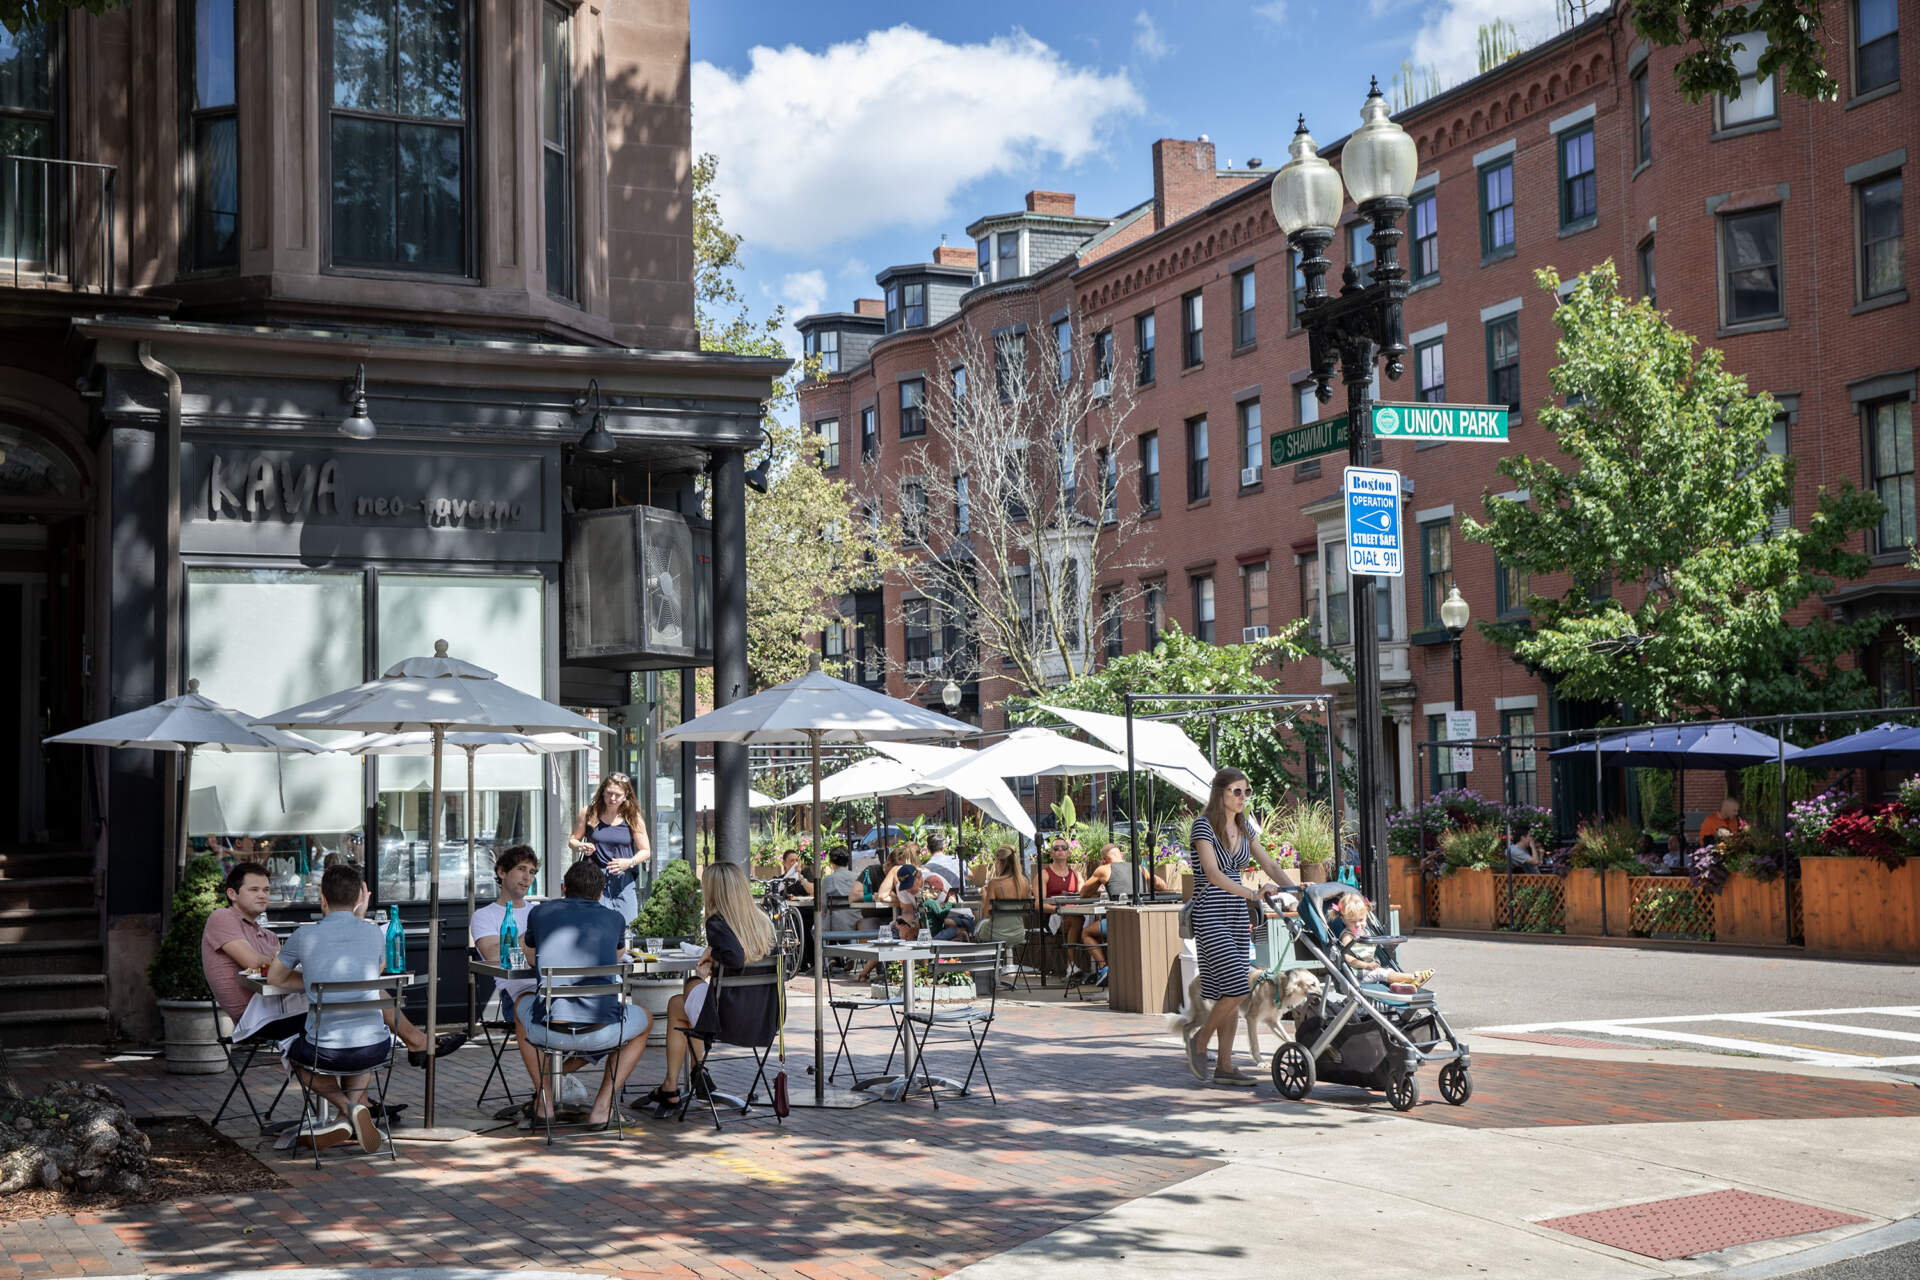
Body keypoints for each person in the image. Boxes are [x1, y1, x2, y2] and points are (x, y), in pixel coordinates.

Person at [266, 864, 463, 1153]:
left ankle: (346, 1109)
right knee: (363, 1046)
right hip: (375, 1048)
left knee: (292, 1053)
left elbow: (275, 978)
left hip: (324, 1050)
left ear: (322, 899)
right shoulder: (374, 935)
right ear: (359, 898)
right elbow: (376, 969)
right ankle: (352, 1113)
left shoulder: (303, 935)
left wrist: (312, 979)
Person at [1182, 767, 1298, 1088]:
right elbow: (1214, 873)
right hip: (1210, 911)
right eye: (1236, 791)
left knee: (1227, 992)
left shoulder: (1244, 827)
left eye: (1246, 792)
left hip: (1235, 913)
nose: (1242, 797)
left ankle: (1225, 1065)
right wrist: (1251, 893)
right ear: (1220, 792)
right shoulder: (1204, 826)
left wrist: (1298, 891)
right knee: (1237, 986)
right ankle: (1200, 1042)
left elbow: (1270, 865)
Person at [514, 859, 652, 1126]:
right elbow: (617, 955)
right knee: (645, 1019)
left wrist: (524, 941)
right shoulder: (615, 918)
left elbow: (531, 959)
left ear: (564, 888)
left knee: (522, 1003)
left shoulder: (540, 913)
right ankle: (602, 1108)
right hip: (603, 1032)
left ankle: (544, 1103)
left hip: (549, 1031)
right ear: (600, 894)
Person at [634, 862, 776, 1116]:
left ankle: (673, 1085)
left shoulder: (718, 923)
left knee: (677, 1003)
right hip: (762, 1016)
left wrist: (713, 952)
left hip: (729, 1020)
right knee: (688, 992)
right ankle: (697, 1073)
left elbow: (734, 957)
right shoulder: (762, 921)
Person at [202, 861, 308, 1044]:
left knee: (343, 1009)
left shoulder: (269, 936)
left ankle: (322, 1069)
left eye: (266, 890)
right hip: (255, 1020)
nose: (262, 895)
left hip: (282, 1009)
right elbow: (254, 962)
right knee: (335, 1014)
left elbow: (279, 971)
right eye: (254, 890)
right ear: (232, 894)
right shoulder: (222, 917)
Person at [569, 772, 650, 925]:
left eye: (617, 795)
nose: (612, 798)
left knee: (627, 927)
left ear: (626, 795)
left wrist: (629, 862)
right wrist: (581, 846)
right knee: (597, 925)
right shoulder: (589, 812)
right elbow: (572, 840)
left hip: (623, 879)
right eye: (609, 793)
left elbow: (645, 851)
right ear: (603, 791)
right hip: (594, 879)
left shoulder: (632, 817)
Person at [1334, 892, 1433, 990]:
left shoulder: (1367, 932)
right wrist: (1367, 965)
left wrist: (1390, 944)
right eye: (1352, 921)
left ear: (1366, 915)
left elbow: (1377, 945)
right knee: (1381, 973)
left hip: (1370, 969)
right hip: (1356, 974)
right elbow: (1348, 958)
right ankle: (1413, 977)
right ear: (1343, 920)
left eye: (1361, 920)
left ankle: (1403, 986)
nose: (1358, 925)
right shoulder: (1347, 936)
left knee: (1388, 970)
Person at [1077, 844, 1137, 986]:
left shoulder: (1104, 869)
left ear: (1104, 860)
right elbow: (1161, 885)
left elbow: (1083, 893)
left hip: (1119, 922)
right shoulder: (1138, 868)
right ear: (1121, 856)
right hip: (1140, 921)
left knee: (1087, 932)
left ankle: (1104, 969)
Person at [1034, 837, 1086, 978]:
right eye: (1056, 848)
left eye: (1063, 848)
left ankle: (1075, 965)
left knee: (1079, 919)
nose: (1060, 851)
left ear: (1069, 853)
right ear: (1051, 853)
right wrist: (1057, 910)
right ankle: (1072, 964)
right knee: (1077, 919)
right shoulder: (1044, 874)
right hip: (1053, 916)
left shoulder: (1076, 875)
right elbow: (1038, 904)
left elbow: (1083, 896)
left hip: (1075, 914)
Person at [977, 846, 1029, 983]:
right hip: (1018, 933)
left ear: (1000, 862)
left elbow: (987, 914)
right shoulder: (1024, 882)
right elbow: (1027, 909)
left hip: (996, 933)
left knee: (977, 930)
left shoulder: (995, 883)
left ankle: (986, 977)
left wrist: (984, 896)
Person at [819, 847, 861, 935]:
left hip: (834, 925)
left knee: (814, 930)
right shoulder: (857, 877)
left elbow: (822, 905)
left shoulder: (828, 880)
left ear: (831, 862)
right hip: (856, 923)